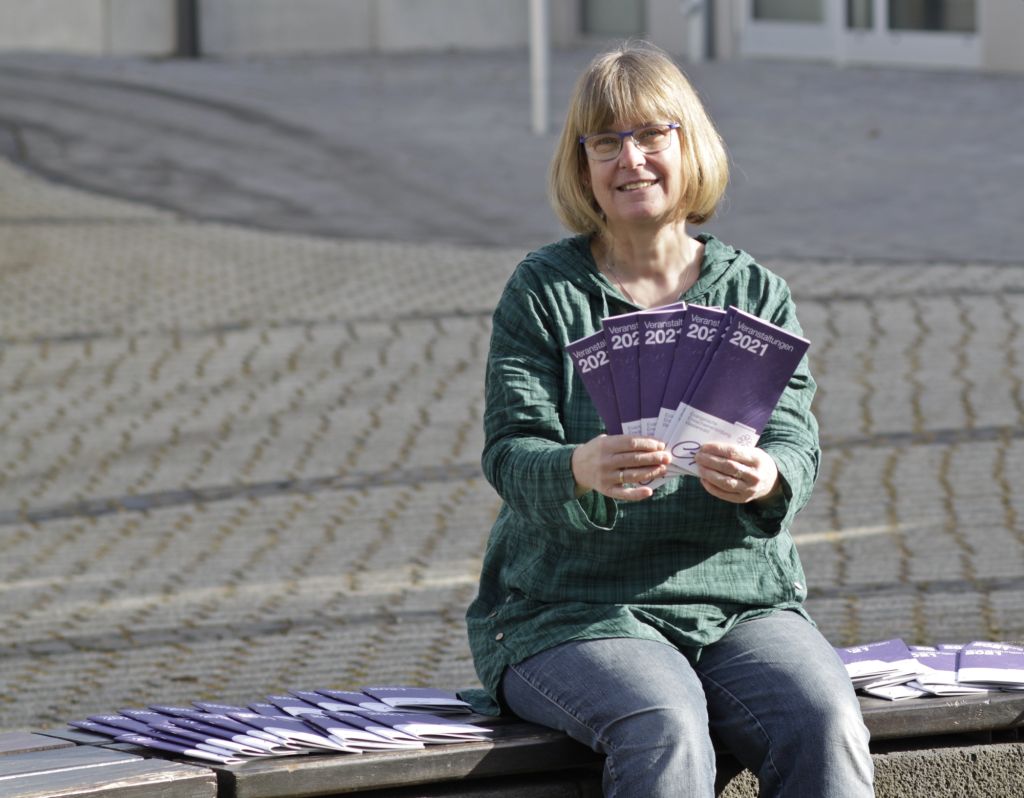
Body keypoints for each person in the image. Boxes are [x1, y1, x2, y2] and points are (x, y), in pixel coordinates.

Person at [463, 42, 873, 797]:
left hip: (739, 601)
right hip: (574, 608)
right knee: (666, 723)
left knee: (824, 717)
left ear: (691, 144)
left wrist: (768, 474)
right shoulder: (545, 291)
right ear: (581, 164)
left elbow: (795, 437)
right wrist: (579, 467)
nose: (633, 160)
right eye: (606, 141)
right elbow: (509, 450)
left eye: (654, 135)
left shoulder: (753, 290)